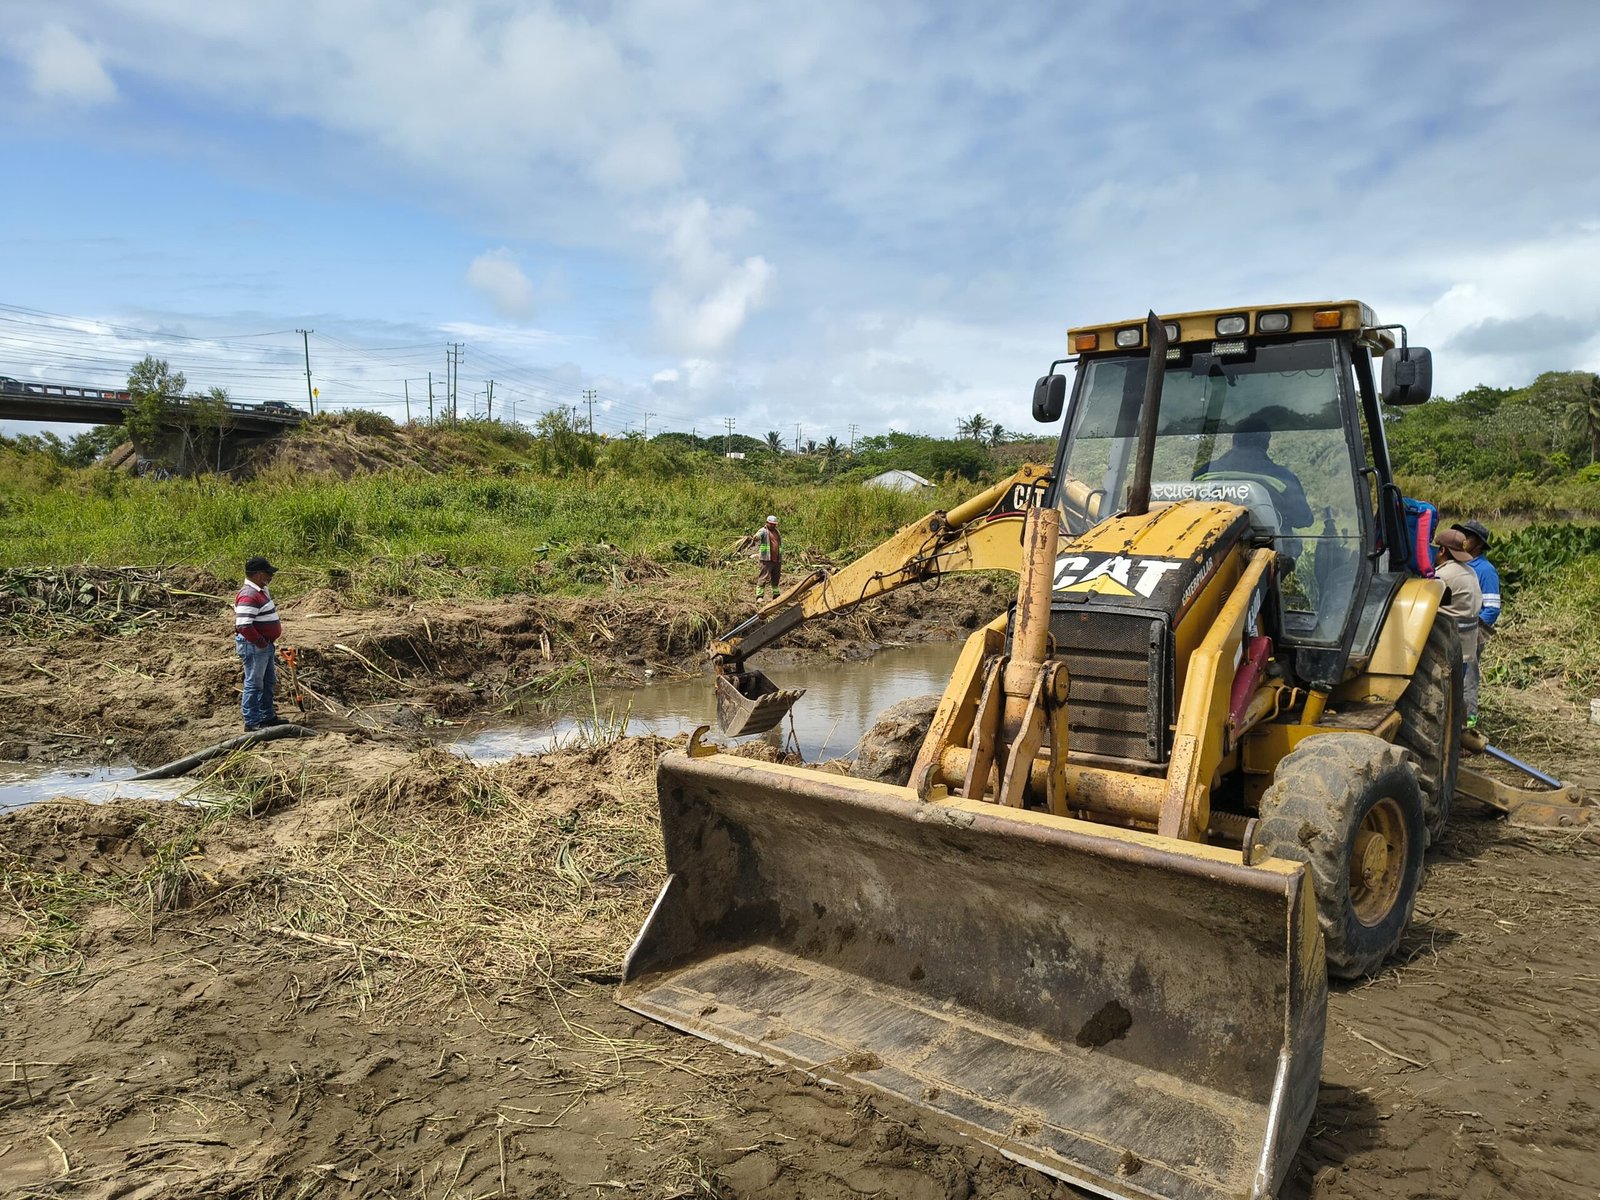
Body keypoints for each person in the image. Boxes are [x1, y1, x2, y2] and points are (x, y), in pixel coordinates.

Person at [1200, 416, 1314, 530]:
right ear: (1266, 445)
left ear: (1234, 441)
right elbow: (1304, 519)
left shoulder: (1203, 473)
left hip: (1205, 540)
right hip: (1271, 541)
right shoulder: (1283, 477)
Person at [1451, 519, 1500, 729]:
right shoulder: (1461, 564)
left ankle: (1469, 723)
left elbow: (1492, 608)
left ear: (1478, 543)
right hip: (1456, 631)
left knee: (1468, 676)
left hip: (1471, 632)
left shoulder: (1485, 570)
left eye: (1468, 537)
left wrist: (1474, 632)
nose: (1464, 540)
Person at [1432, 529, 1482, 729]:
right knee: (1456, 693)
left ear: (1442, 550)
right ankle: (1457, 732)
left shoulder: (1442, 576)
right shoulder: (1471, 572)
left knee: (1442, 699)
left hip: (1445, 648)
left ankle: (1448, 731)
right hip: (1466, 648)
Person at [234, 555, 286, 731]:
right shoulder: (249, 595)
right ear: (257, 574)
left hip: (263, 645)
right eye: (267, 573)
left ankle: (267, 716)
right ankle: (252, 722)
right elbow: (243, 625)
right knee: (255, 684)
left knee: (268, 681)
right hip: (254, 646)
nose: (271, 577)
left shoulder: (260, 591)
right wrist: (260, 642)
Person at [755, 515, 782, 600]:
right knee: (763, 577)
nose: (773, 525)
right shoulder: (763, 531)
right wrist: (756, 537)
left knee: (776, 578)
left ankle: (776, 595)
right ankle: (759, 596)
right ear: (767, 523)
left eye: (774, 524)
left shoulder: (777, 532)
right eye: (771, 524)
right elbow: (758, 535)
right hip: (766, 559)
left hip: (777, 559)